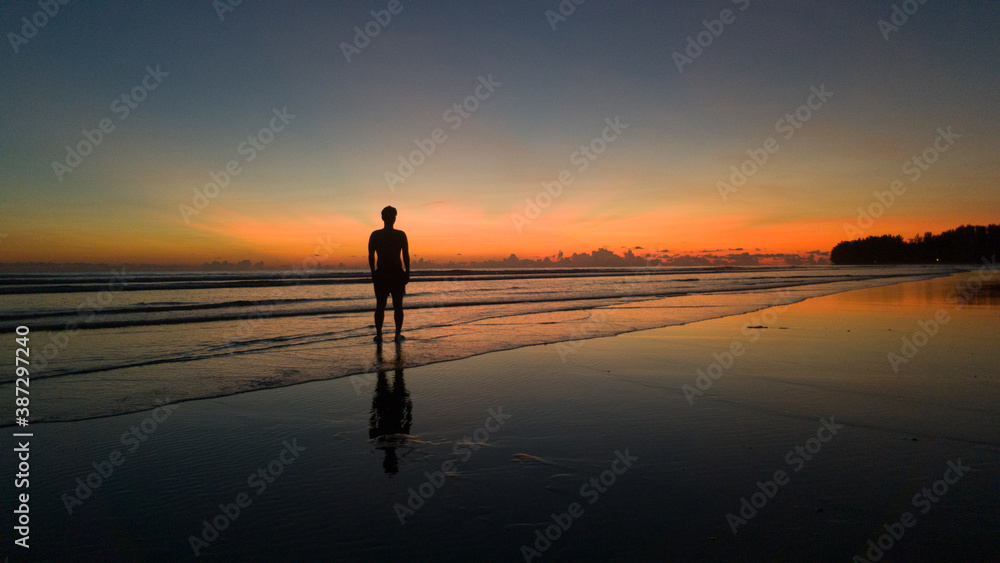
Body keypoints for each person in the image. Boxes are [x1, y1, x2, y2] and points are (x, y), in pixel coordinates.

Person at [368, 206, 409, 342]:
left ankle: (380, 335)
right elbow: (406, 256)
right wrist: (407, 272)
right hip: (396, 273)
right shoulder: (400, 235)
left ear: (382, 218)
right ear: (394, 218)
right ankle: (397, 335)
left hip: (383, 273)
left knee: (380, 305)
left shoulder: (376, 235)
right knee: (397, 306)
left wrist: (373, 272)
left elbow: (371, 256)